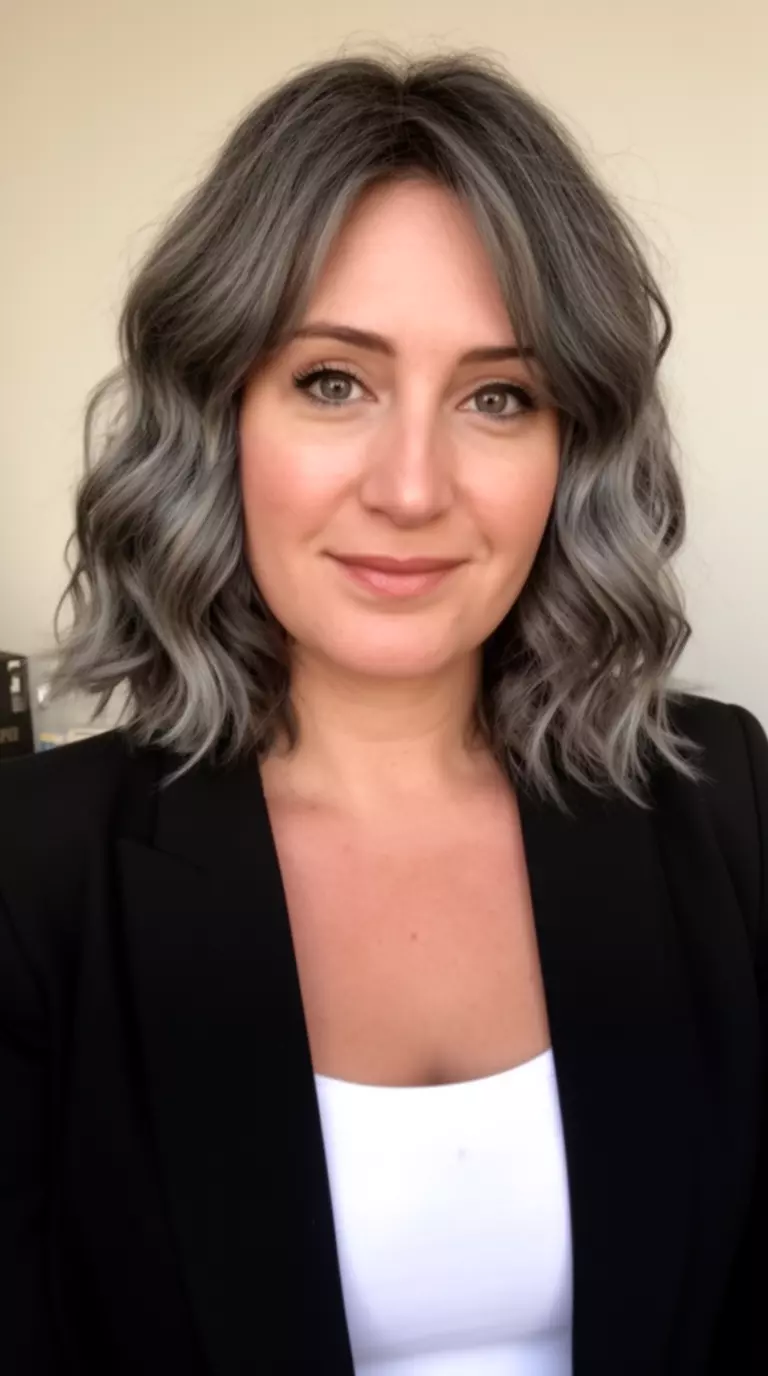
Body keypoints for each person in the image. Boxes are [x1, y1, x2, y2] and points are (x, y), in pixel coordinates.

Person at [0, 49, 765, 1376]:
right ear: (218, 413)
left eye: (497, 397)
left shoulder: (724, 796)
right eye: (333, 381)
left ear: (569, 453)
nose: (413, 488)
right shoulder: (34, 868)